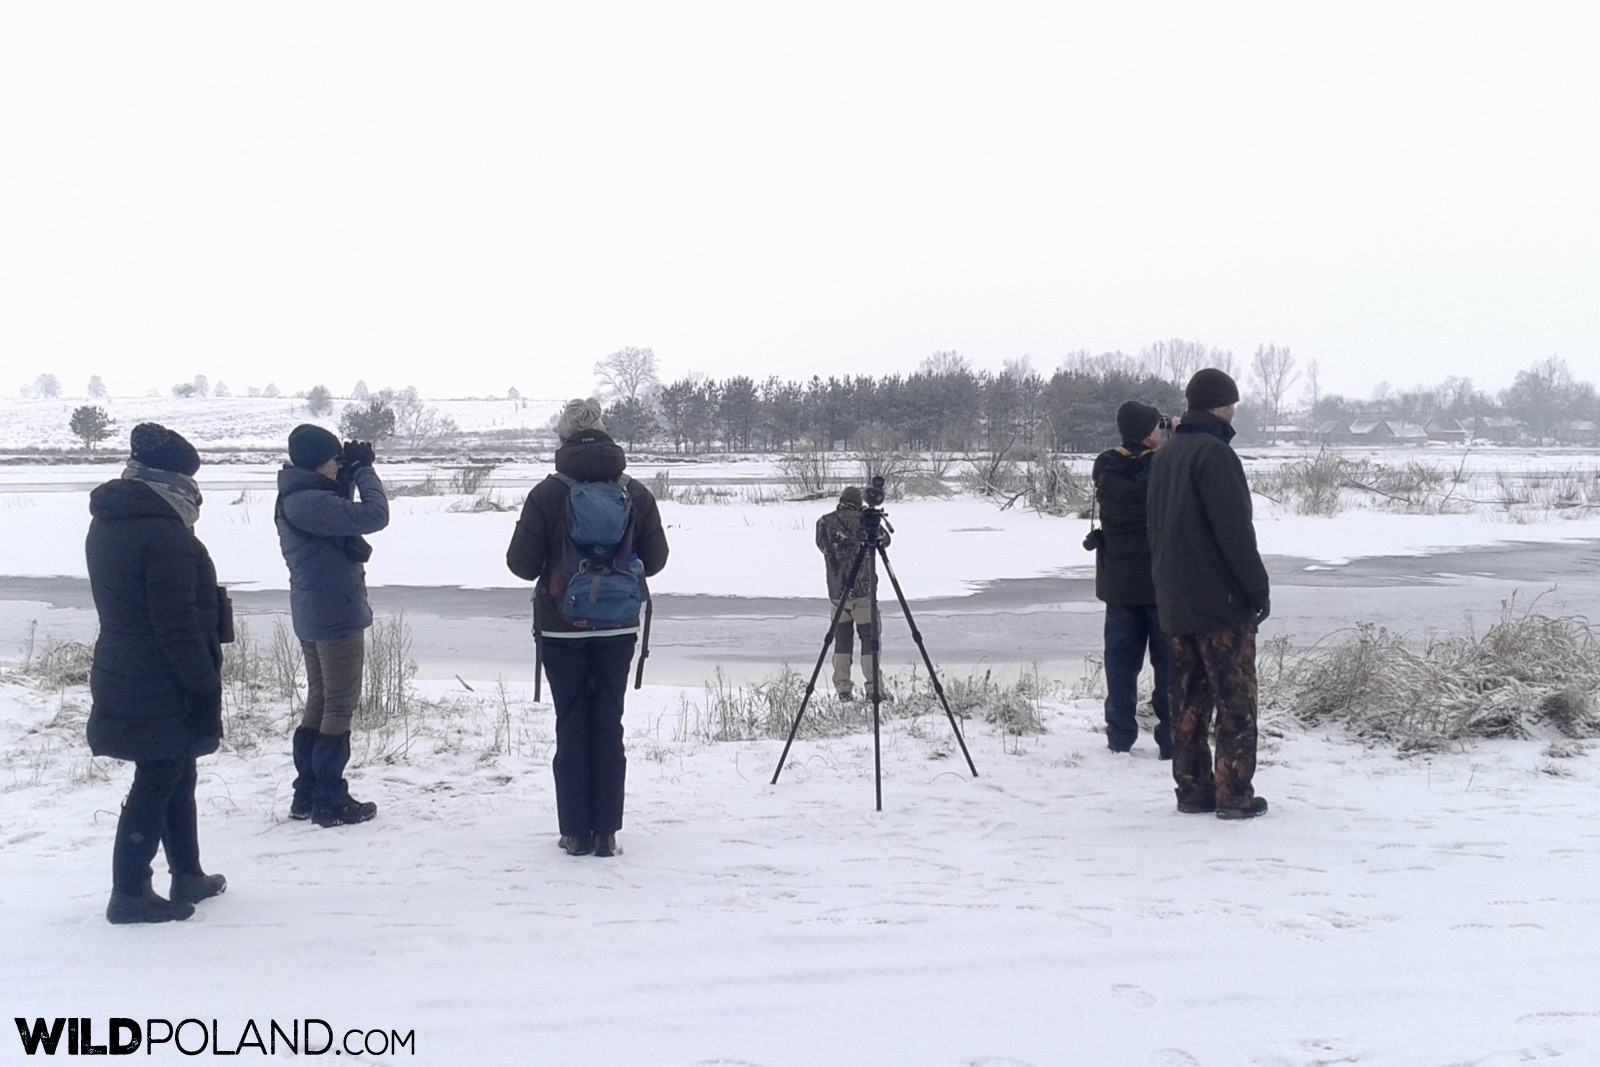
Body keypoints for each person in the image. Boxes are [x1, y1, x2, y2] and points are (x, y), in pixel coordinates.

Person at [506, 399, 668, 858]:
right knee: (608, 723)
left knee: (571, 723)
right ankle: (606, 834)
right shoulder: (634, 491)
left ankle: (574, 832)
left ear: (562, 439)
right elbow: (655, 561)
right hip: (618, 627)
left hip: (561, 628)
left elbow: (519, 565)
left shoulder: (547, 494)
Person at [86, 423, 228, 923]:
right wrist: (203, 687)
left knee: (177, 768)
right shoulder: (163, 533)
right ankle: (128, 892)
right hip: (157, 675)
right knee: (160, 774)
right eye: (189, 482)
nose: (194, 493)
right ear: (171, 480)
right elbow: (176, 626)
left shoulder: (113, 519)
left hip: (125, 665)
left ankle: (187, 873)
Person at [1147, 369, 1271, 819]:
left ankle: (1192, 791)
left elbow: (1156, 530)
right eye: (1233, 404)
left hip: (1176, 602)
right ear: (1223, 406)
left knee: (1187, 704)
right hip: (1221, 606)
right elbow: (1235, 534)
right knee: (1235, 703)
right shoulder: (1216, 456)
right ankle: (1233, 795)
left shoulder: (1166, 455)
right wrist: (1257, 589)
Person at [275, 424, 389, 828]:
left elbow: (338, 512)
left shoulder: (299, 495)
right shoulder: (308, 502)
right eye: (334, 459)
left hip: (313, 611)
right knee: (338, 704)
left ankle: (306, 793)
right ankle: (328, 798)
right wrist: (363, 472)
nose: (338, 465)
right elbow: (375, 516)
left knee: (320, 701)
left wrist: (345, 473)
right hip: (333, 614)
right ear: (319, 462)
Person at [1090, 401, 1172, 757]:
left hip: (1119, 583)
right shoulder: (1161, 466)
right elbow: (1177, 463)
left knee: (1120, 667)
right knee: (1169, 666)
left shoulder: (1106, 466)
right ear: (1146, 433)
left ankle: (1120, 737)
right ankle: (1171, 738)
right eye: (1157, 427)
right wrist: (1178, 433)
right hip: (1160, 586)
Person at [814, 486, 891, 702]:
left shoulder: (823, 522)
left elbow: (822, 546)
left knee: (842, 641)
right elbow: (884, 540)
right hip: (864, 592)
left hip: (837, 593)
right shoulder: (863, 523)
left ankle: (843, 690)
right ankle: (874, 690)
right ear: (859, 502)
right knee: (869, 640)